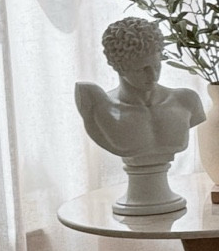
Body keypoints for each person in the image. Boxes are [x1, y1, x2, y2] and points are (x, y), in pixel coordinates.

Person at [75, 17, 205, 214]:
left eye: (157, 66)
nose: (153, 76)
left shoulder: (186, 101)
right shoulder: (102, 109)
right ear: (119, 66)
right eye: (142, 69)